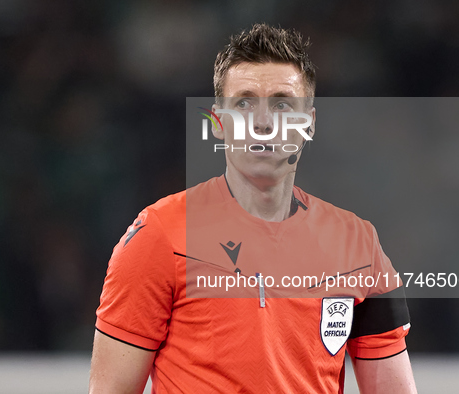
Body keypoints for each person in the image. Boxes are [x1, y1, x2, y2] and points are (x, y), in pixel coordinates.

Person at [89, 24, 417, 393]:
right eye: (244, 102)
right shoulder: (159, 235)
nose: (262, 122)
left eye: (282, 103)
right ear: (217, 122)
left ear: (307, 123)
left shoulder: (359, 243)